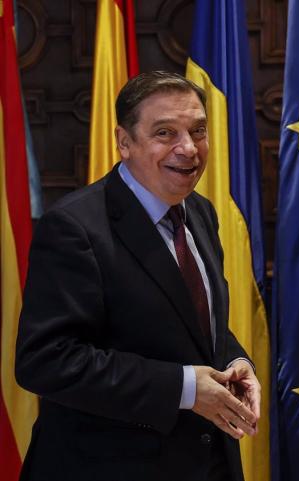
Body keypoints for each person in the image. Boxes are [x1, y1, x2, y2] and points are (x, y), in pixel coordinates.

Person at [15, 71, 260, 481]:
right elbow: (46, 360)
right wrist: (183, 387)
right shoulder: (74, 227)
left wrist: (235, 360)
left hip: (206, 463)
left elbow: (194, 324)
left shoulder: (201, 212)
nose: (188, 148)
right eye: (165, 133)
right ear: (124, 142)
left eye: (198, 131)